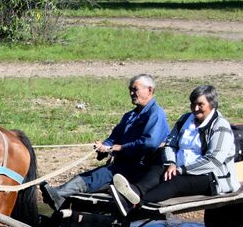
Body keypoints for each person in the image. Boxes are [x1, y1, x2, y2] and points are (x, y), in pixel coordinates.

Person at [42, 73, 169, 211]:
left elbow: (149, 143)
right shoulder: (129, 116)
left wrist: (120, 148)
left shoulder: (156, 114)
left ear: (149, 90)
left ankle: (59, 195)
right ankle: (59, 195)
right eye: (130, 90)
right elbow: (114, 138)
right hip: (123, 164)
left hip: (141, 167)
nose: (132, 93)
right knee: (94, 175)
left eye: (135, 89)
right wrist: (104, 146)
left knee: (99, 175)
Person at [111, 84, 239, 214]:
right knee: (160, 167)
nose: (195, 108)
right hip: (180, 166)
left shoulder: (220, 126)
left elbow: (214, 160)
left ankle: (136, 204)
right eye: (193, 104)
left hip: (211, 175)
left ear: (212, 104)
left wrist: (181, 170)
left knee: (176, 182)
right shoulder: (185, 119)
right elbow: (170, 144)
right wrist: (171, 163)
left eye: (201, 105)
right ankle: (135, 191)